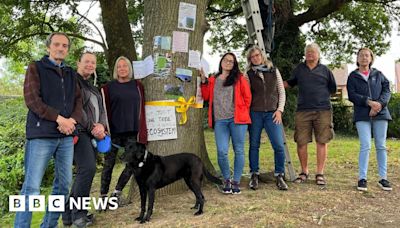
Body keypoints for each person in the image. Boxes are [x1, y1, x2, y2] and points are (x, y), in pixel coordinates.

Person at [14, 32, 82, 228]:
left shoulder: (70, 74)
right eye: (57, 44)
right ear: (48, 47)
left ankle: (49, 225)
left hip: (66, 137)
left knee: (63, 187)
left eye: (65, 46)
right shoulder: (36, 67)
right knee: (31, 188)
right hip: (41, 136)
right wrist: (59, 118)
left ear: (68, 50)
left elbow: (78, 101)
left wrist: (72, 121)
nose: (61, 48)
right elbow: (32, 100)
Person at [62, 52, 107, 227]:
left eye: (93, 62)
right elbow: (77, 109)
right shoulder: (72, 81)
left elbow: (101, 110)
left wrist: (102, 126)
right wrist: (92, 128)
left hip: (93, 134)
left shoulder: (93, 87)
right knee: (87, 168)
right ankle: (78, 215)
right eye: (86, 61)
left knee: (85, 171)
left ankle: (68, 214)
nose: (90, 65)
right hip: (79, 131)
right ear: (78, 62)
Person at [283, 43, 336, 186]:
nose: (310, 54)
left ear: (318, 55)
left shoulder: (325, 70)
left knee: (322, 141)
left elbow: (333, 88)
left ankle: (320, 173)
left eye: (313, 52)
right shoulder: (299, 69)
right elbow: (290, 83)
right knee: (301, 141)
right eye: (308, 52)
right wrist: (273, 83)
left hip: (323, 110)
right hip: (303, 110)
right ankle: (304, 171)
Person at [200, 52, 252, 194]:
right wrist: (204, 81)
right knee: (222, 151)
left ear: (234, 64)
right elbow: (205, 96)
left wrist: (241, 111)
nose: (228, 62)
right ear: (221, 61)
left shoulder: (239, 78)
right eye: (226, 60)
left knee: (239, 150)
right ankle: (227, 179)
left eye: (231, 61)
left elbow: (248, 98)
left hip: (237, 120)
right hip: (220, 121)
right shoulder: (213, 80)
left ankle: (236, 181)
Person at [100, 56, 147, 203]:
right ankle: (102, 197)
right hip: (112, 133)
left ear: (129, 68)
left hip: (132, 132)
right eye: (119, 66)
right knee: (109, 164)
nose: (122, 68)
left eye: (125, 66)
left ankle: (116, 194)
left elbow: (142, 109)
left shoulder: (138, 86)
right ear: (116, 69)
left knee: (132, 164)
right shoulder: (107, 88)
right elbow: (103, 110)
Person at [347, 48, 392, 191]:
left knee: (381, 146)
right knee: (365, 145)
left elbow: (387, 90)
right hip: (362, 115)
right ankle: (362, 178)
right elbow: (352, 95)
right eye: (361, 55)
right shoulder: (352, 76)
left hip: (380, 113)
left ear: (371, 58)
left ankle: (383, 178)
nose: (364, 58)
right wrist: (369, 102)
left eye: (367, 55)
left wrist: (379, 104)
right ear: (357, 58)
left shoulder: (378, 74)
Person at [245, 46, 288, 191]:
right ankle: (254, 174)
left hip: (272, 113)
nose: (256, 58)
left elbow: (281, 92)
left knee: (278, 145)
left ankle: (279, 174)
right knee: (254, 144)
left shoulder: (273, 70)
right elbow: (246, 94)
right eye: (253, 57)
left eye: (257, 55)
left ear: (262, 55)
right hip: (255, 113)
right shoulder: (249, 74)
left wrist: (279, 110)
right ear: (250, 60)